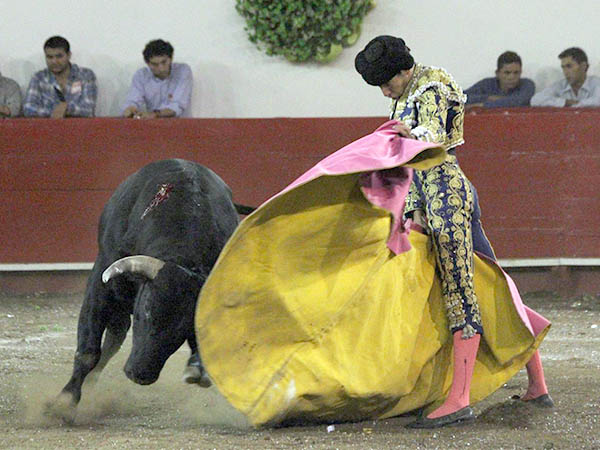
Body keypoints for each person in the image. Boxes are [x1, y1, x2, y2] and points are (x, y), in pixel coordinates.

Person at [354, 35, 552, 428]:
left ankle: (459, 399)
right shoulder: (406, 91)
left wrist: (400, 140)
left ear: (403, 70)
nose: (383, 90)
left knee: (461, 291)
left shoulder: (433, 86)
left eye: (386, 82)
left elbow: (430, 135)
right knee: (492, 285)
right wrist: (410, 208)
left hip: (447, 196)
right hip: (431, 195)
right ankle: (538, 385)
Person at [23, 36, 97, 118]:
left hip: (79, 128)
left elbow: (88, 109)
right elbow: (28, 108)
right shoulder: (39, 78)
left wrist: (66, 109)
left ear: (69, 55)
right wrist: (56, 111)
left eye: (59, 56)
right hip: (48, 128)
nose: (54, 61)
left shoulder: (85, 75)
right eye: (49, 57)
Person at [121, 39, 192, 119]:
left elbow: (177, 106)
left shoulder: (183, 71)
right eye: (155, 64)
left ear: (171, 59)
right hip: (153, 126)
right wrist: (130, 110)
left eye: (164, 62)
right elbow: (132, 101)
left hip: (180, 126)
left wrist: (155, 114)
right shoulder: (141, 75)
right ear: (147, 63)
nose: (161, 68)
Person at [531, 47, 600, 107]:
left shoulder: (596, 83)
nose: (565, 72)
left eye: (569, 66)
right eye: (563, 68)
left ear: (583, 66)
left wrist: (577, 104)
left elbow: (597, 101)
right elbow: (535, 100)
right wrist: (566, 102)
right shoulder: (560, 85)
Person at [465, 51, 535, 108]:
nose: (511, 77)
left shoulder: (527, 84)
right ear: (497, 73)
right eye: (507, 73)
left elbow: (518, 101)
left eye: (516, 73)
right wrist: (488, 98)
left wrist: (482, 105)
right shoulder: (487, 84)